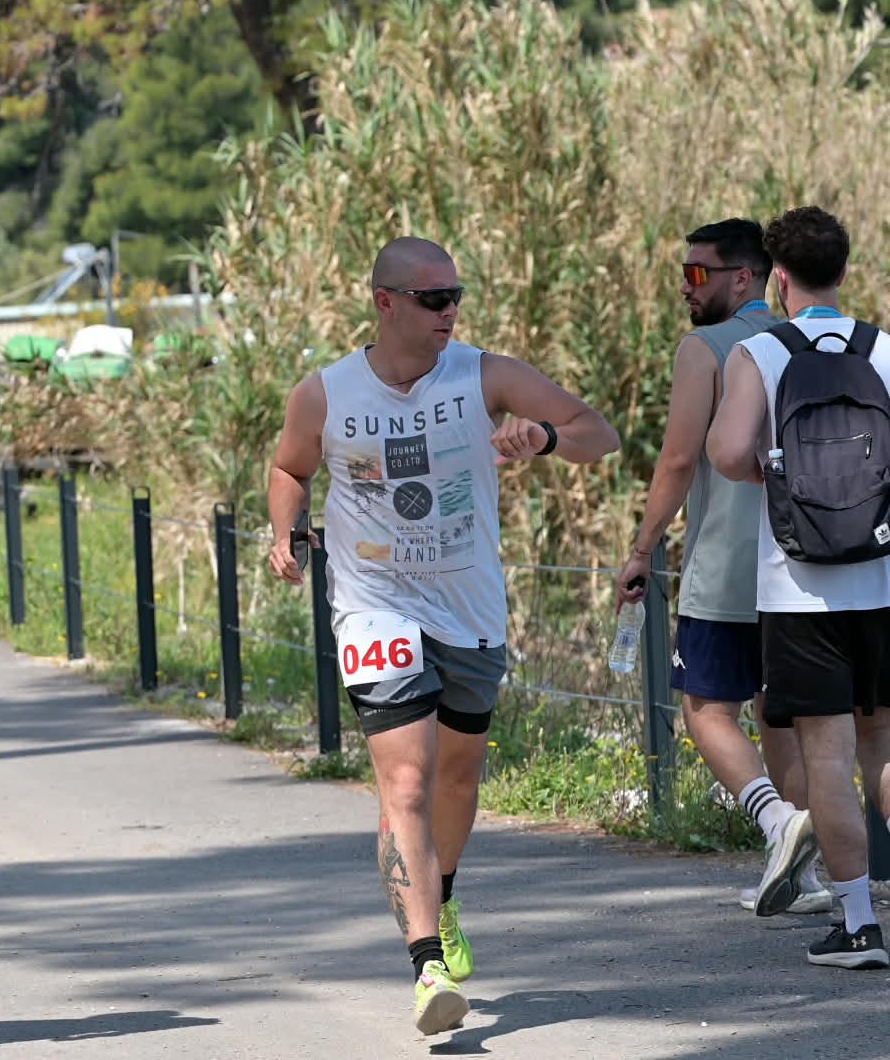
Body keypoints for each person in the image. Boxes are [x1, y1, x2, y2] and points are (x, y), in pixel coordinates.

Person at [266, 237, 620, 1035]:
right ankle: (427, 968)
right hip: (373, 603)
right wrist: (285, 528)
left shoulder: (485, 374)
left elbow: (601, 432)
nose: (450, 311)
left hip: (468, 607)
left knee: (458, 780)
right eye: (433, 299)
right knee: (408, 786)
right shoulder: (325, 394)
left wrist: (547, 439)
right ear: (386, 302)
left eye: (456, 296)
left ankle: (444, 897)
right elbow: (290, 467)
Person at [616, 219, 826, 916]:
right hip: (806, 564)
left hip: (728, 564)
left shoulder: (704, 348)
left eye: (699, 274)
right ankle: (805, 874)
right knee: (782, 718)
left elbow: (679, 461)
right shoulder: (799, 343)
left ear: (745, 277)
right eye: (684, 271)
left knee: (705, 708)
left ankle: (774, 820)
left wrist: (642, 548)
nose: (685, 285)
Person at [707, 204, 890, 969]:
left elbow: (725, 451)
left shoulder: (763, 354)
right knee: (884, 746)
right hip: (880, 582)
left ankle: (858, 926)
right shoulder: (884, 350)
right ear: (845, 272)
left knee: (827, 756)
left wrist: (773, 474)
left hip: (797, 589)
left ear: (778, 278)